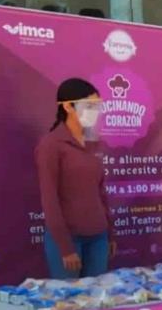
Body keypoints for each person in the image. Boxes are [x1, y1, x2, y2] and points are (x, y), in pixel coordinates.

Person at [35, 78, 115, 279]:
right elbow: (49, 198)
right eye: (89, 106)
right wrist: (65, 247)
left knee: (97, 301)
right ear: (69, 107)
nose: (95, 111)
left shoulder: (92, 142)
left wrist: (110, 234)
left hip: (98, 236)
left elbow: (100, 192)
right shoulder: (51, 145)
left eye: (97, 106)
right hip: (69, 238)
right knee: (70, 302)